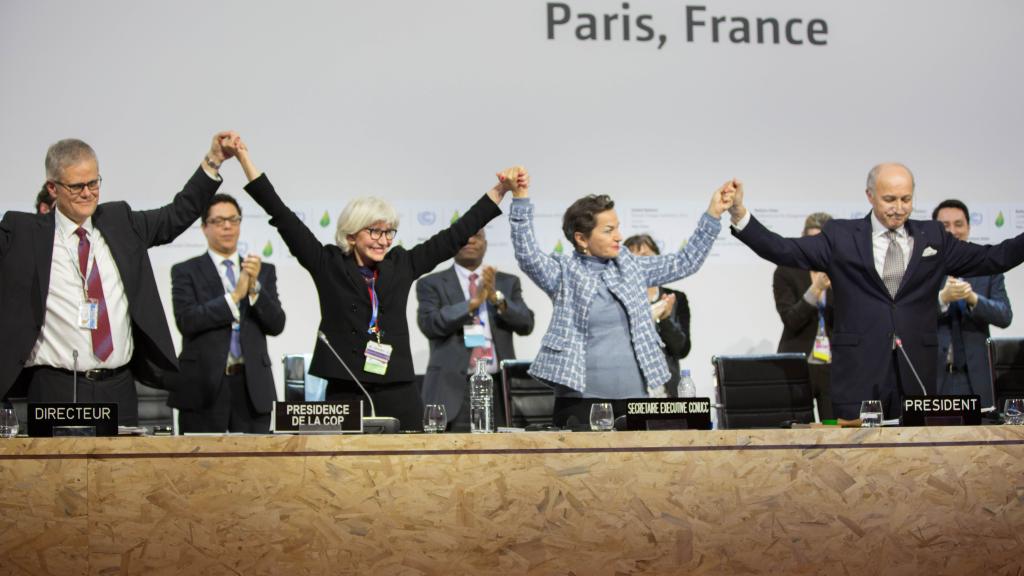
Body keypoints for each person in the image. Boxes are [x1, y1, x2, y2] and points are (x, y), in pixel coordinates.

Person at [233, 137, 514, 431]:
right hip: (345, 386)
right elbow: (281, 215)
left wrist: (499, 190)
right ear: (352, 233)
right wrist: (244, 160)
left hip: (398, 387)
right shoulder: (327, 263)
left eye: (389, 232)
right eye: (375, 231)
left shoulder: (401, 264)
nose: (384, 240)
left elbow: (454, 235)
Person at [728, 163, 1024, 419]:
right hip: (859, 376)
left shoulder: (933, 236)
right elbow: (783, 249)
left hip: (916, 373)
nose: (899, 208)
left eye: (906, 199)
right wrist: (741, 215)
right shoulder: (841, 236)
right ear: (870, 196)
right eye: (889, 199)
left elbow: (992, 257)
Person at [0, 132, 239, 425]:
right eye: (77, 186)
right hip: (54, 387)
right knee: (55, 472)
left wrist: (213, 161)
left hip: (118, 386)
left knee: (120, 471)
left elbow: (176, 215)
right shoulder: (23, 233)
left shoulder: (120, 221)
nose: (88, 193)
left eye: (94, 183)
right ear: (53, 187)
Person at [509, 168, 733, 428]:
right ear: (582, 238)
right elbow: (526, 254)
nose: (618, 236)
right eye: (608, 230)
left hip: (635, 399)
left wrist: (714, 214)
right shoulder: (562, 272)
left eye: (618, 228)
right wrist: (520, 198)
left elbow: (686, 261)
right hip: (581, 401)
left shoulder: (631, 267)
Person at [167, 194, 287, 433]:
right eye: (219, 221)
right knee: (201, 466)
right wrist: (234, 297)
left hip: (251, 386)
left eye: (233, 219)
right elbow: (187, 321)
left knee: (256, 465)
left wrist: (253, 290)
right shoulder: (186, 271)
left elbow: (276, 324)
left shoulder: (261, 271)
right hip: (204, 386)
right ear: (204, 227)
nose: (227, 226)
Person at [416, 228, 535, 430]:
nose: (470, 241)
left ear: (485, 244)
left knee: (502, 457)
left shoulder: (506, 282)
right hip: (453, 388)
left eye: (477, 236)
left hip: (497, 387)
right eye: (464, 237)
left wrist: (496, 298)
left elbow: (526, 324)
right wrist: (472, 303)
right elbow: (430, 324)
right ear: (452, 245)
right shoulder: (431, 283)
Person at [932, 199, 1012, 405]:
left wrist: (973, 299)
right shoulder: (923, 268)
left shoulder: (988, 269)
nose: (953, 231)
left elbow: (1004, 316)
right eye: (944, 226)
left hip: (974, 378)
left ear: (968, 227)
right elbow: (908, 316)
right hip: (934, 377)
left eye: (958, 224)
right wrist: (942, 299)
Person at [771, 212, 835, 420]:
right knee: (799, 433)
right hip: (799, 363)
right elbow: (791, 319)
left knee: (834, 430)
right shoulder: (787, 270)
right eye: (810, 240)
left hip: (834, 365)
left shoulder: (842, 271)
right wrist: (814, 290)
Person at [623, 234, 692, 397]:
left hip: (667, 390)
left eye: (646, 256)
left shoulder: (676, 298)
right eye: (633, 258)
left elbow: (681, 350)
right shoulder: (619, 299)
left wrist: (666, 318)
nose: (640, 263)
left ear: (658, 259)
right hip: (631, 389)